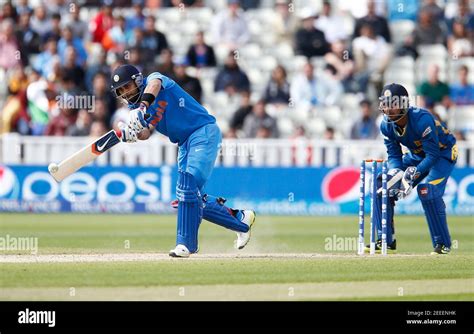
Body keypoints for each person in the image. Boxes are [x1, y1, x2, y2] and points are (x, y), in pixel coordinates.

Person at [110, 64, 256, 257]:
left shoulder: (154, 79)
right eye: (121, 91)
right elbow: (147, 132)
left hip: (202, 131)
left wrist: (143, 106)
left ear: (138, 81)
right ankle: (240, 219)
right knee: (188, 198)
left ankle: (186, 245)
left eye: (127, 87)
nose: (125, 94)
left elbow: (155, 84)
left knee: (188, 186)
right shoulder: (136, 108)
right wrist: (133, 134)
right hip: (184, 143)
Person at [374, 83, 457, 254]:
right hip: (418, 155)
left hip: (442, 153)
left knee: (428, 190)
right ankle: (385, 240)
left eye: (393, 104)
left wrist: (413, 174)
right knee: (382, 183)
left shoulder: (422, 119)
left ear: (404, 104)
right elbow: (394, 155)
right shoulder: (386, 125)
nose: (388, 109)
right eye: (386, 103)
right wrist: (397, 172)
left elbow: (432, 156)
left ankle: (443, 244)